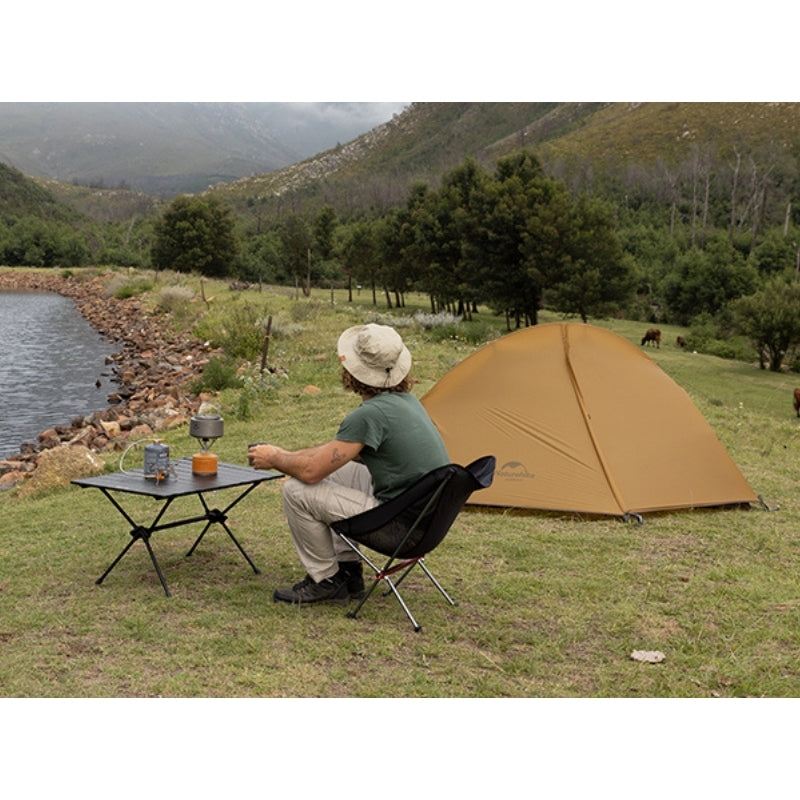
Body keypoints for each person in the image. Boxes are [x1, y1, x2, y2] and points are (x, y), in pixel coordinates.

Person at [248, 323, 450, 605]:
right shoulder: (405, 402)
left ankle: (326, 581)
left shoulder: (370, 415)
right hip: (427, 524)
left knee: (296, 490)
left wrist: (275, 459)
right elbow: (334, 454)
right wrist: (288, 453)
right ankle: (348, 570)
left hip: (401, 531)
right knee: (347, 470)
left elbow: (311, 471)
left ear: (352, 371)